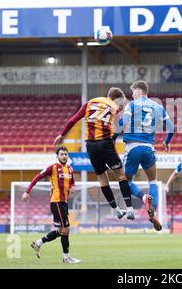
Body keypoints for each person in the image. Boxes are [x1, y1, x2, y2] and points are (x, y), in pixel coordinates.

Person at [53, 87, 134, 220]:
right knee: (120, 176)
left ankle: (117, 210)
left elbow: (73, 120)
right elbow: (122, 122)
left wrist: (62, 134)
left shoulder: (90, 103)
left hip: (90, 145)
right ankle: (130, 209)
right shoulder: (114, 106)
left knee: (102, 178)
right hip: (105, 143)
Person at [116, 80, 174, 231]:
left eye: (133, 92)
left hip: (133, 147)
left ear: (139, 90)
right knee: (153, 180)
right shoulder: (158, 107)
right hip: (149, 148)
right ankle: (152, 209)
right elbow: (172, 128)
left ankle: (143, 198)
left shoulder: (132, 105)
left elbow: (124, 122)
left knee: (125, 182)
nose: (132, 95)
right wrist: (166, 141)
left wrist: (114, 136)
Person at [22, 146, 81, 264]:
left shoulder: (69, 169)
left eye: (65, 154)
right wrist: (27, 191)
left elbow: (72, 182)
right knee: (66, 229)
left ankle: (38, 243)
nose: (64, 156)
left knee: (60, 230)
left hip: (64, 202)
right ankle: (66, 257)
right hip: (56, 201)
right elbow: (37, 177)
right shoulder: (53, 167)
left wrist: (72, 187)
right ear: (57, 156)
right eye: (62, 154)